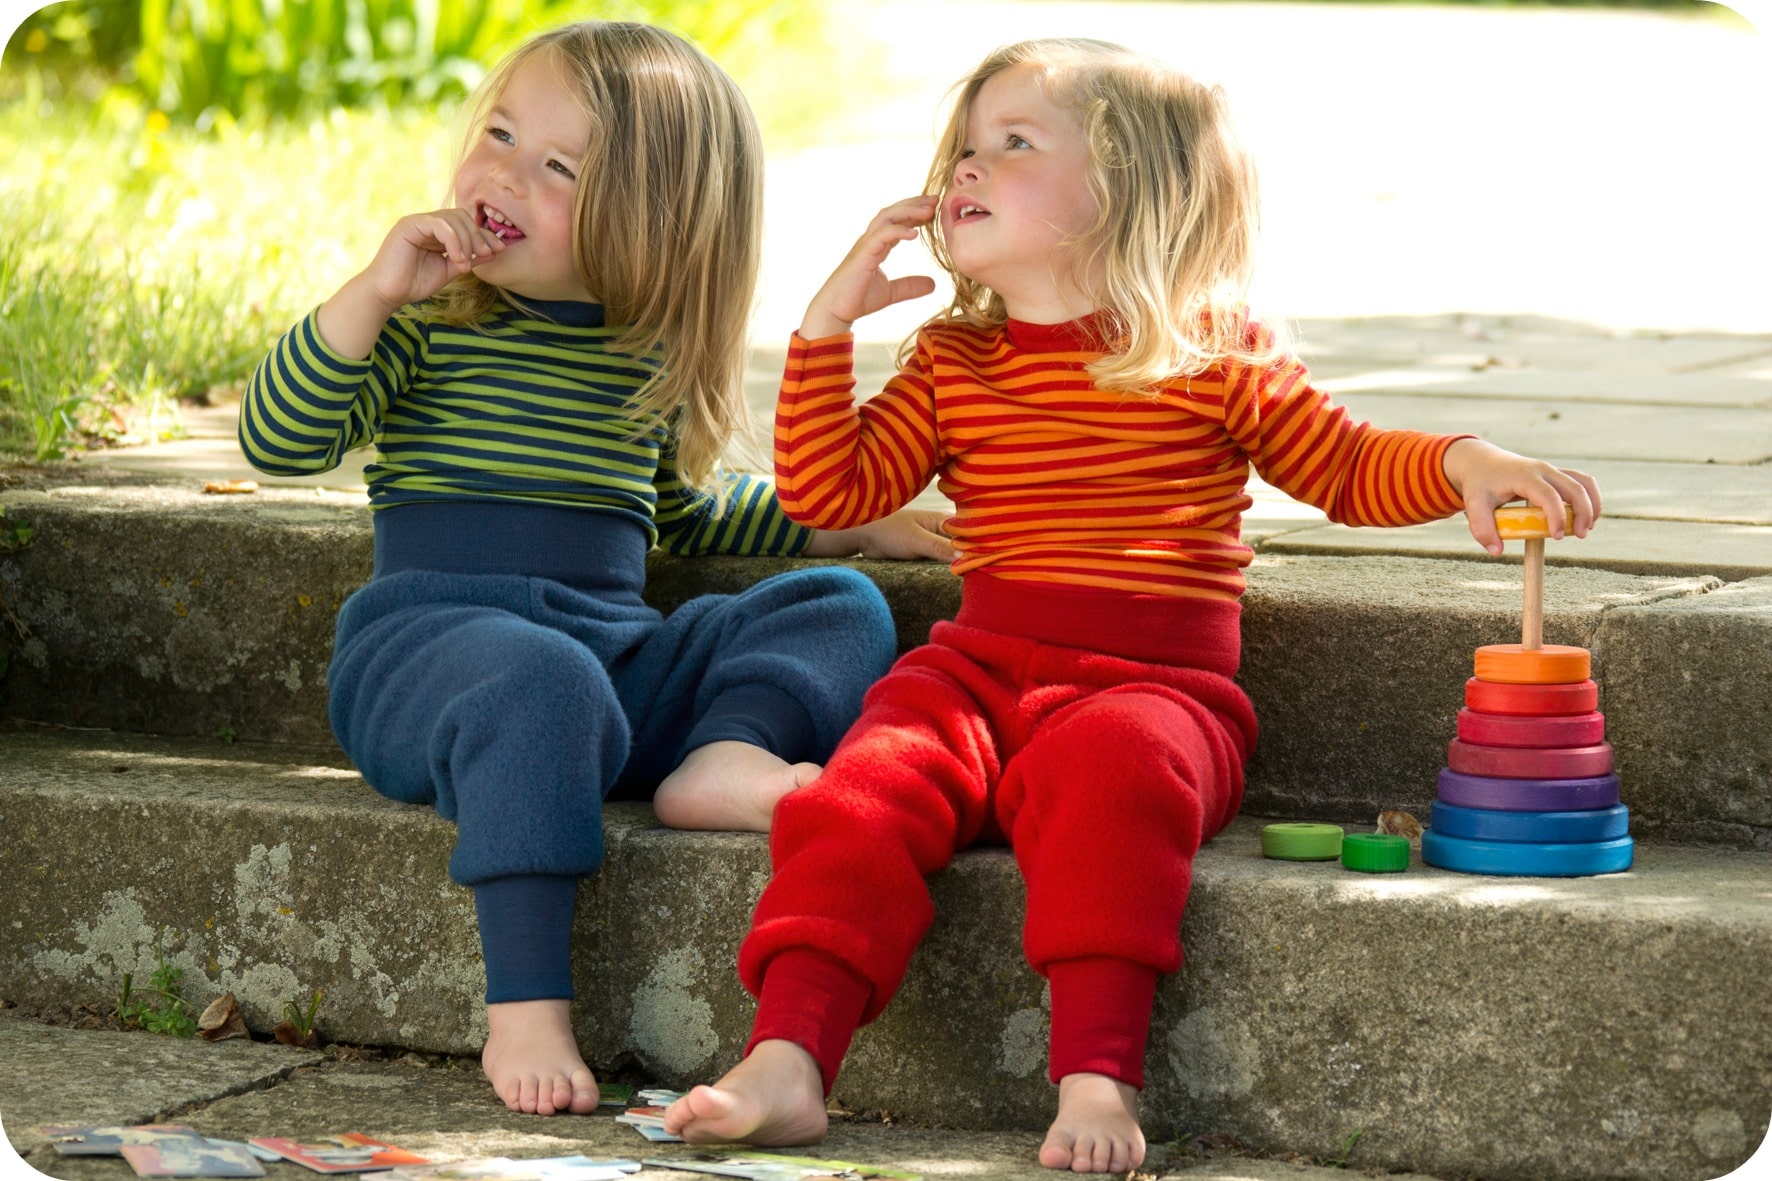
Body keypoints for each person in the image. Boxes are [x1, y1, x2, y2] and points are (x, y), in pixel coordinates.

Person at [662, 37, 1600, 1173]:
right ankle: (787, 1059)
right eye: (964, 146)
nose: (965, 169)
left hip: (1155, 693)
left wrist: (1458, 460)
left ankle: (1095, 1074)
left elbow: (1343, 466)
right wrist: (822, 330)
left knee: (1113, 766)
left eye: (1014, 145)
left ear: (1130, 192)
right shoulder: (951, 359)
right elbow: (830, 489)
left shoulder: (1211, 353)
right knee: (860, 787)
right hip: (973, 675)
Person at [238, 20, 950, 1120]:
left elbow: (678, 514)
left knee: (835, 607)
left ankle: (718, 757)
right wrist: (368, 296)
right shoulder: (428, 325)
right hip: (427, 655)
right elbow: (277, 441)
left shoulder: (639, 363)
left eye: (557, 167)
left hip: (604, 667)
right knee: (539, 678)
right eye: (501, 134)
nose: (502, 173)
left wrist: (834, 530)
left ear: (655, 220)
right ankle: (524, 1000)